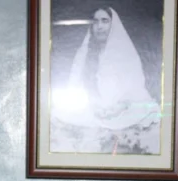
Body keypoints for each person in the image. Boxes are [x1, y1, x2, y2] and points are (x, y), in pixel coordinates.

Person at [51, 7, 160, 154]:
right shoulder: (84, 53)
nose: (99, 26)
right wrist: (93, 106)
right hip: (91, 110)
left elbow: (135, 90)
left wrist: (117, 108)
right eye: (95, 22)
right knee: (58, 114)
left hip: (121, 110)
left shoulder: (126, 54)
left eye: (105, 21)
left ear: (113, 25)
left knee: (149, 112)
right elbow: (75, 86)